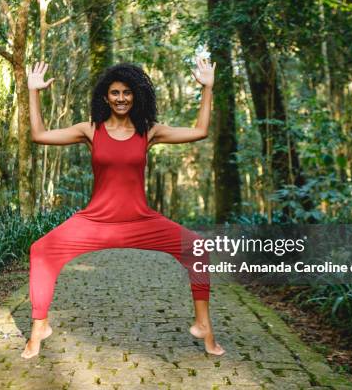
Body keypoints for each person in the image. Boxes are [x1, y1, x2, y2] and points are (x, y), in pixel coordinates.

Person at [21, 58, 224, 359]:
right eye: (115, 93)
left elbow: (200, 131)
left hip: (139, 220)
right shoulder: (90, 130)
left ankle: (202, 324)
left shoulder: (149, 131)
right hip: (96, 221)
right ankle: (40, 327)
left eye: (127, 93)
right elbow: (40, 135)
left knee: (196, 247)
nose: (121, 98)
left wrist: (207, 88)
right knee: (41, 250)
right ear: (106, 96)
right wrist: (33, 92)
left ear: (136, 96)